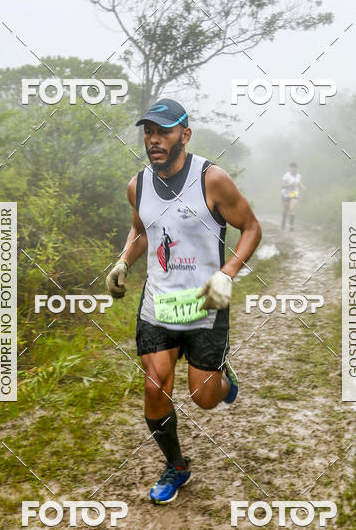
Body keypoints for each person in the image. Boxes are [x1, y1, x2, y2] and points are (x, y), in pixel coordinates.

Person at [106, 98, 261, 504]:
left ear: (185, 135)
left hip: (206, 303)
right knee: (155, 385)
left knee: (203, 397)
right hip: (160, 303)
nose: (154, 140)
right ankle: (176, 465)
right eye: (149, 132)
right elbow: (142, 231)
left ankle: (223, 381)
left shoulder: (212, 179)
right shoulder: (137, 186)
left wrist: (227, 275)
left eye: (164, 132)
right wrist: (123, 261)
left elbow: (251, 228)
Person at [281, 162, 305, 231]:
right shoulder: (286, 176)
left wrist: (302, 186)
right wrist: (290, 184)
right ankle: (283, 221)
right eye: (292, 168)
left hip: (294, 193)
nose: (294, 169)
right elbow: (282, 186)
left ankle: (291, 226)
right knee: (286, 210)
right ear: (290, 168)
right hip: (285, 194)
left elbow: (299, 181)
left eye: (295, 168)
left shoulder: (299, 176)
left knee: (292, 208)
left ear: (297, 169)